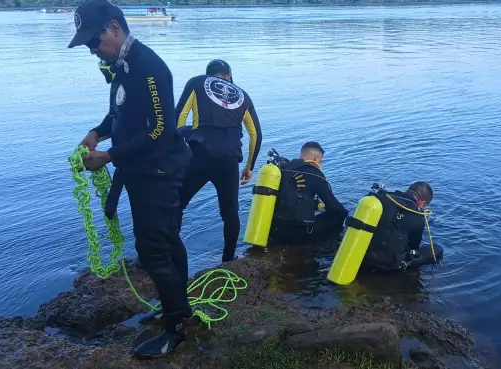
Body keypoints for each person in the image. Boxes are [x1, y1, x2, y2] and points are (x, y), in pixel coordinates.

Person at [68, 0, 191, 359]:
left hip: (158, 172)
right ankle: (178, 307)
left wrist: (108, 156)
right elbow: (120, 113)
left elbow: (159, 130)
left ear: (114, 29)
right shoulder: (120, 64)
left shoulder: (147, 66)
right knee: (167, 240)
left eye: (93, 41)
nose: (92, 50)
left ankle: (176, 330)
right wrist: (97, 132)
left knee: (153, 250)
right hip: (142, 169)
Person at [175, 59, 262, 263]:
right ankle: (229, 260)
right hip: (229, 161)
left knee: (176, 203)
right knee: (230, 212)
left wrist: (183, 145)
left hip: (200, 155)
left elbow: (179, 117)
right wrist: (249, 166)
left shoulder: (197, 82)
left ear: (209, 74)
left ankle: (170, 251)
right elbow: (256, 135)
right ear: (229, 77)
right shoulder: (243, 95)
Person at [269, 142, 348, 245]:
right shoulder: (314, 173)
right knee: (339, 214)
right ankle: (330, 244)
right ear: (316, 159)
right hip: (297, 234)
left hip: (273, 230)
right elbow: (334, 206)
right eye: (320, 161)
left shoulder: (281, 168)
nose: (320, 164)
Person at [360, 181, 442, 271]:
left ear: (407, 190)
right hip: (387, 264)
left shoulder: (383, 196)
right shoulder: (418, 217)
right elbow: (413, 247)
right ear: (422, 203)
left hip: (362, 255)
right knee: (437, 250)